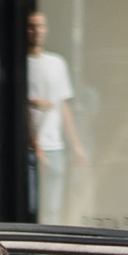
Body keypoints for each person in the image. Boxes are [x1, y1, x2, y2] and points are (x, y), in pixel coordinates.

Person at [25, 12, 83, 225]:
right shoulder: (20, 64)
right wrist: (32, 102)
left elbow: (63, 106)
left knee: (53, 210)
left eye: (40, 26)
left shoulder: (57, 63)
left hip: (55, 147)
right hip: (30, 150)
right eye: (32, 26)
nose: (37, 31)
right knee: (31, 211)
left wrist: (76, 145)